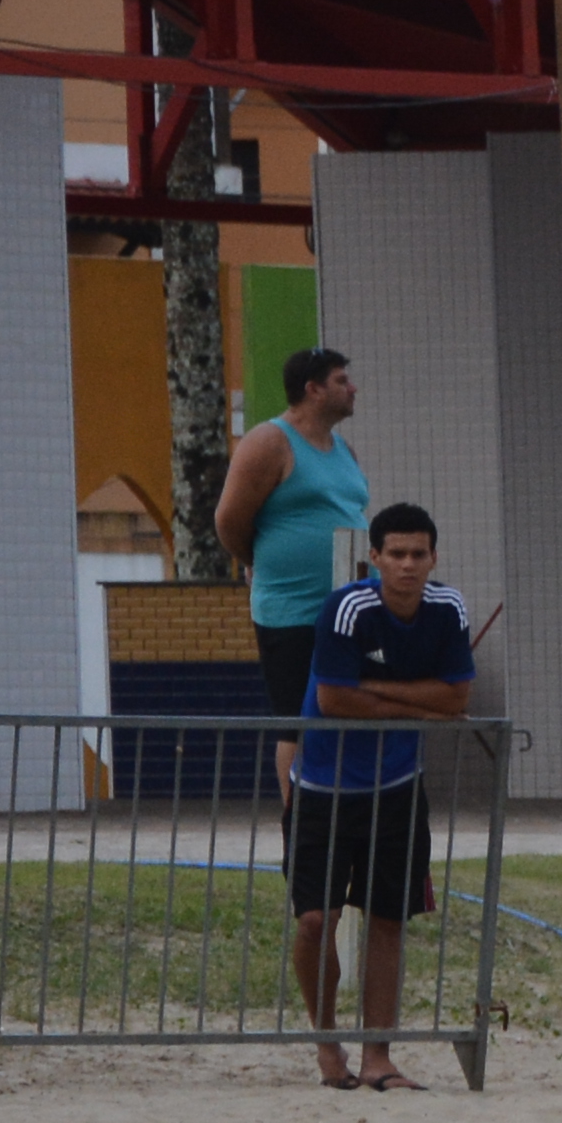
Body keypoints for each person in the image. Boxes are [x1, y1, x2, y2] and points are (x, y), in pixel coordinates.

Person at [285, 499, 472, 1092]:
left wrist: (381, 694)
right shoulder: (347, 609)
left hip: (396, 788)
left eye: (419, 554)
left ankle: (378, 1057)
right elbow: (336, 703)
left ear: (433, 557)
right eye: (396, 554)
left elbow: (457, 700)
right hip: (323, 787)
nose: (408, 565)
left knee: (388, 919)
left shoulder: (447, 608)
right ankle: (327, 1043)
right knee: (316, 920)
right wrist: (419, 699)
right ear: (374, 558)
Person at [211, 342, 366, 798]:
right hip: (292, 611)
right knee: (298, 720)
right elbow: (229, 522)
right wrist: (259, 562)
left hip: (349, 609)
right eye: (342, 380)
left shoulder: (344, 451)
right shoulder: (269, 442)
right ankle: (298, 822)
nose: (353, 388)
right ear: (313, 390)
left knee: (352, 712)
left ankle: (350, 812)